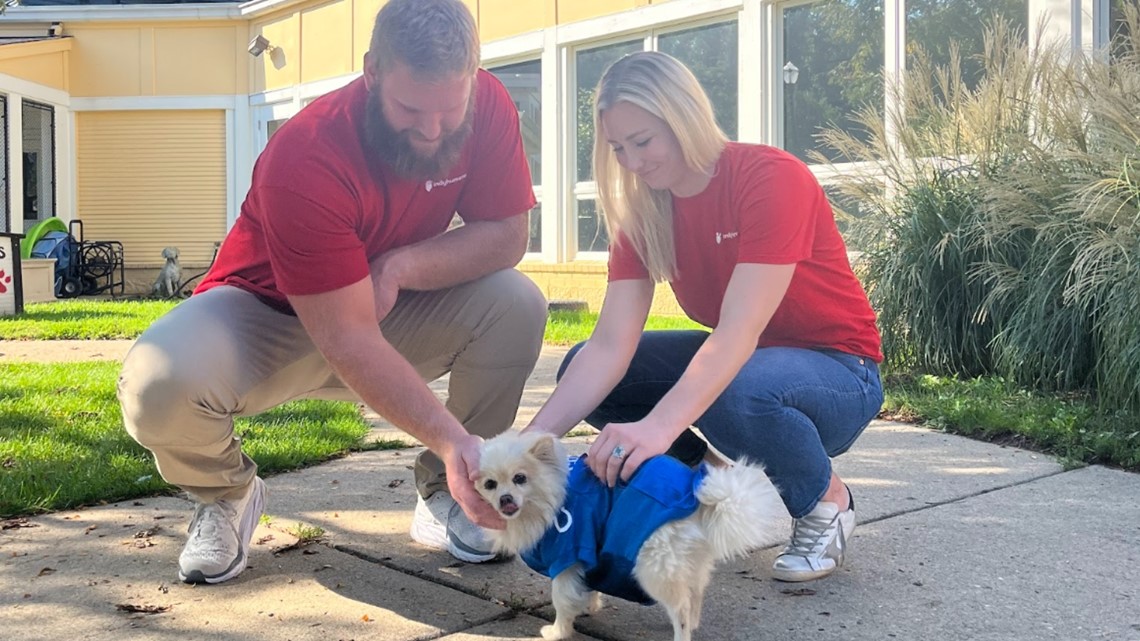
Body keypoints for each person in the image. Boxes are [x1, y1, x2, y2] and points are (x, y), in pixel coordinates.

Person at [117, 0, 547, 585]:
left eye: (451, 109)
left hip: (380, 301)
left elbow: (506, 236)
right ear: (371, 72)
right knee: (156, 384)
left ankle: (446, 494)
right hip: (264, 312)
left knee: (516, 305)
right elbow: (345, 335)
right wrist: (453, 441)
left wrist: (398, 268)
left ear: (473, 76)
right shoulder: (307, 151)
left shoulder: (489, 104)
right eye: (410, 108)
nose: (431, 130)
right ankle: (227, 495)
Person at [522, 51, 883, 583]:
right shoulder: (645, 212)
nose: (632, 161)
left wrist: (657, 428)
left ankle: (825, 500)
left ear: (683, 115)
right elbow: (607, 348)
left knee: (734, 389)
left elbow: (739, 330)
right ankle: (715, 491)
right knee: (584, 368)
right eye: (618, 148)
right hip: (752, 362)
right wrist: (525, 449)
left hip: (839, 371)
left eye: (642, 141)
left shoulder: (770, 178)